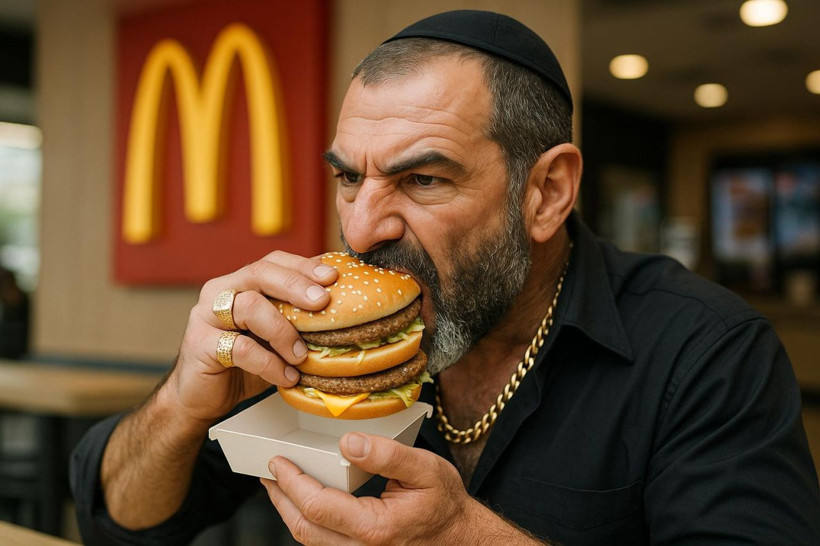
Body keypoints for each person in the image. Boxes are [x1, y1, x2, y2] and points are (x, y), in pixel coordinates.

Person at [71, 10, 820, 545]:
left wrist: (464, 536)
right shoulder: (322, 337)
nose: (362, 230)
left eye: (423, 180)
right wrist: (181, 404)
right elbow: (123, 522)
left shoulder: (707, 352)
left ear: (547, 193)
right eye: (348, 179)